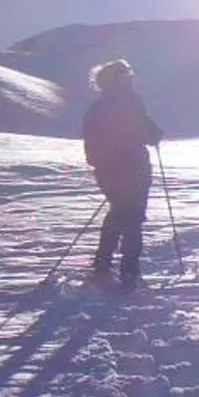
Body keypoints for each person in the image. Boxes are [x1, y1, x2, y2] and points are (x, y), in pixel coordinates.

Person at [81, 59, 162, 287]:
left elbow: (145, 130)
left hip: (119, 172)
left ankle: (104, 264)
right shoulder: (126, 105)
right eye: (125, 76)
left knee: (120, 215)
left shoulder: (107, 106)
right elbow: (146, 132)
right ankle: (127, 268)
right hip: (129, 170)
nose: (129, 79)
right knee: (131, 218)